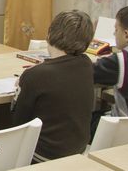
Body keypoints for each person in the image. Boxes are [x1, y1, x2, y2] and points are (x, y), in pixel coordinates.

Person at [12, 10, 94, 163]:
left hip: (43, 156)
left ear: (50, 34)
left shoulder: (36, 75)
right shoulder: (86, 64)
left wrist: (22, 85)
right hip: (77, 152)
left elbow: (19, 122)